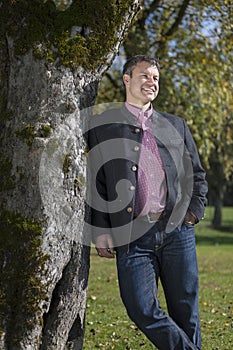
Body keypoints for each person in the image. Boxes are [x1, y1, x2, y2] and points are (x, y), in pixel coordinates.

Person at [87, 55, 208, 350]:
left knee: (186, 311)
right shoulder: (104, 127)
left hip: (177, 231)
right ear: (126, 79)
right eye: (144, 76)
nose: (151, 82)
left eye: (155, 78)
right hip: (132, 236)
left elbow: (197, 174)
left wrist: (193, 212)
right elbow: (96, 182)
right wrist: (101, 228)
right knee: (140, 307)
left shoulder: (175, 125)